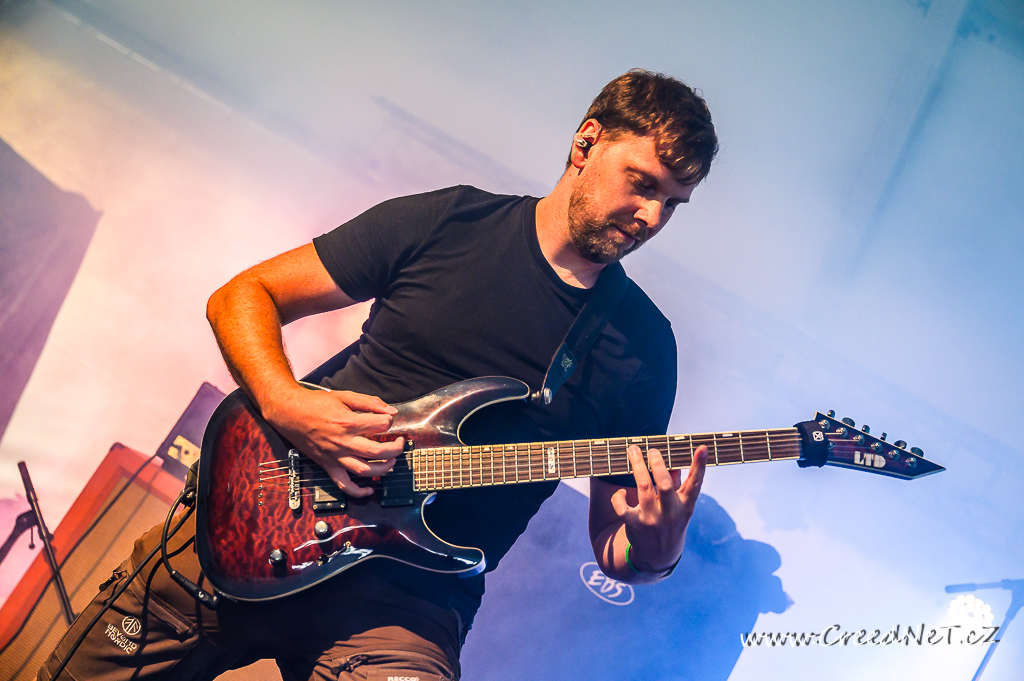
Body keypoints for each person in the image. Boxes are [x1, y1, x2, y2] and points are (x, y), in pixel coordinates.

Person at [39, 68, 718, 681]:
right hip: (253, 523)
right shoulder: (451, 222)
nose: (652, 217)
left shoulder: (644, 348)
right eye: (642, 184)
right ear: (587, 142)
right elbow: (244, 296)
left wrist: (654, 548)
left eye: (673, 203)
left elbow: (613, 541)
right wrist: (285, 402)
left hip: (406, 607)